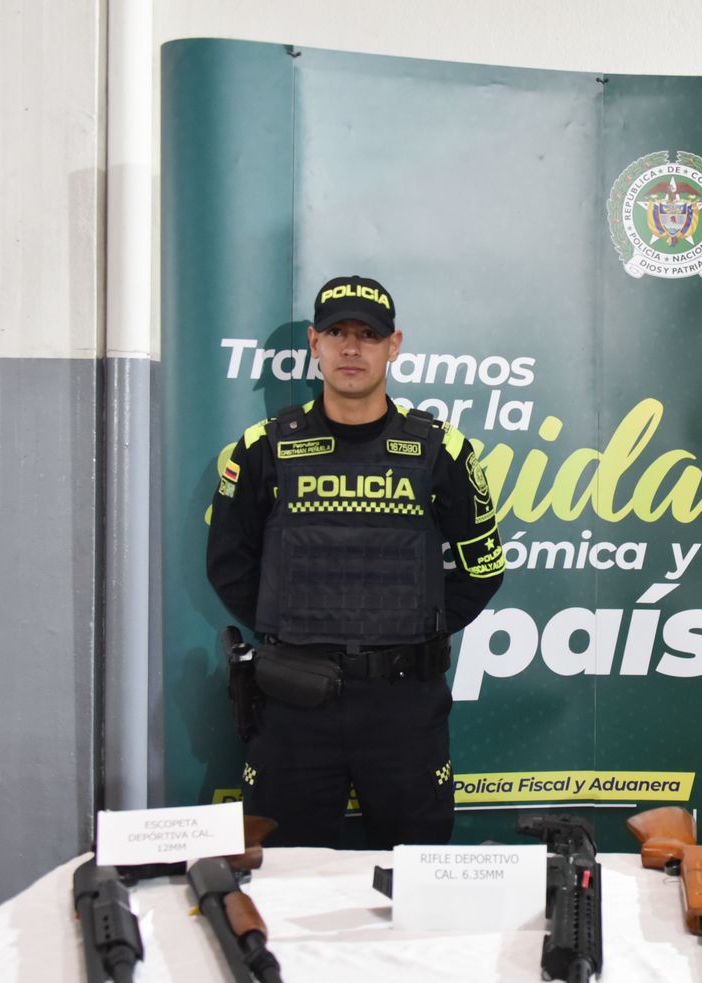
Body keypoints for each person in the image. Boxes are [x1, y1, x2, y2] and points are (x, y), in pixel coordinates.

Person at [206, 274, 505, 846]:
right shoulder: (264, 448)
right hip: (292, 701)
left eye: (368, 334)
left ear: (393, 346)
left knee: (415, 874)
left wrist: (414, 631)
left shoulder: (441, 450)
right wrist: (293, 627)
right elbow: (229, 565)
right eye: (337, 332)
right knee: (284, 876)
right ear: (315, 344)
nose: (351, 347)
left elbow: (482, 568)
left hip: (403, 709)